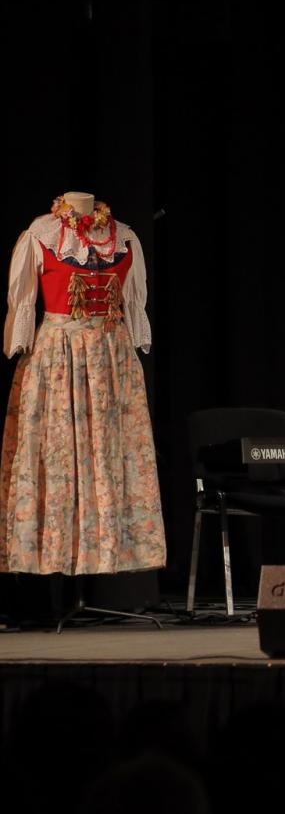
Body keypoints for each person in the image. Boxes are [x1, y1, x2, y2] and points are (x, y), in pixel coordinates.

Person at [0, 192, 165, 576]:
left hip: (111, 359)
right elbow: (23, 303)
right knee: (59, 454)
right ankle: (56, 555)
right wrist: (20, 342)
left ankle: (106, 553)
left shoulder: (124, 238)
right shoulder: (41, 235)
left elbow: (133, 305)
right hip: (60, 356)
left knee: (109, 455)